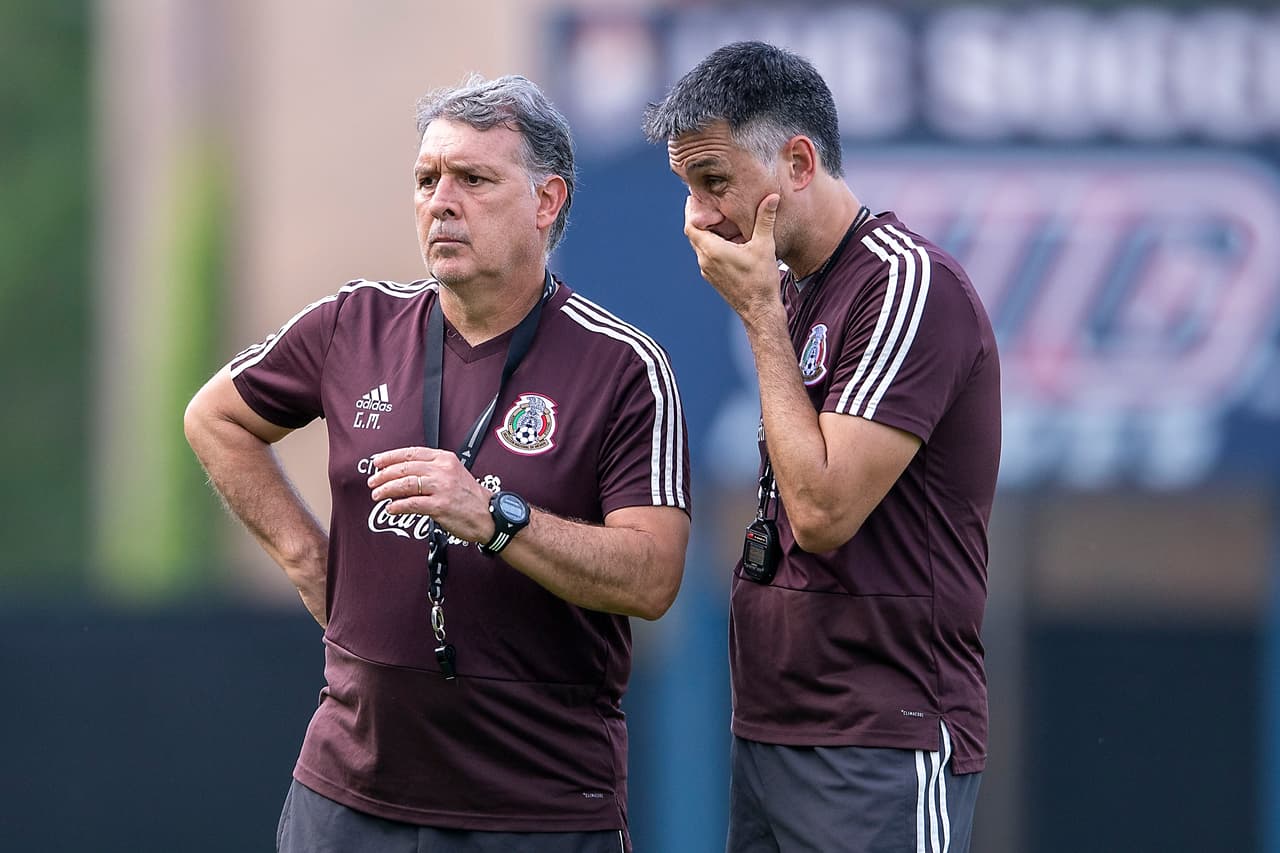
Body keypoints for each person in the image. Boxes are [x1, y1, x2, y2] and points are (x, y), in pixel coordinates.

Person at [185, 73, 691, 853]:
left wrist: (495, 517)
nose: (441, 201)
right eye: (427, 179)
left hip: (540, 808)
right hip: (349, 797)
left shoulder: (623, 366)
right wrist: (309, 560)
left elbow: (653, 577)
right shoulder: (352, 323)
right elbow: (215, 417)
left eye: (474, 179)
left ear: (546, 201)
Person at [644, 42, 1000, 853]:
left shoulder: (910, 285)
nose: (696, 216)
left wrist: (762, 318)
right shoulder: (796, 287)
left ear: (798, 161)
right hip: (773, 729)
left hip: (883, 737)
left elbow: (824, 508)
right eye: (687, 187)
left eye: (714, 181)